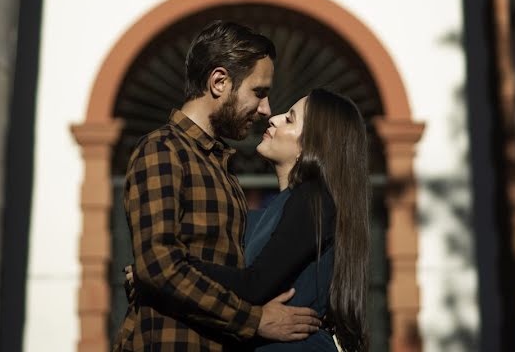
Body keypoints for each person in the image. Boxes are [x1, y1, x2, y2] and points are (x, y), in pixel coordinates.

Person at [114, 20, 322, 351]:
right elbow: (158, 265)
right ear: (219, 82)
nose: (266, 109)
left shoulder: (220, 167)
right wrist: (254, 320)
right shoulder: (163, 149)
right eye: (259, 92)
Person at [128, 88, 371, 351]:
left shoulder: (313, 200)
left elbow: (254, 284)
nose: (274, 118)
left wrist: (162, 269)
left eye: (289, 119)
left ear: (312, 146)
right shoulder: (267, 211)